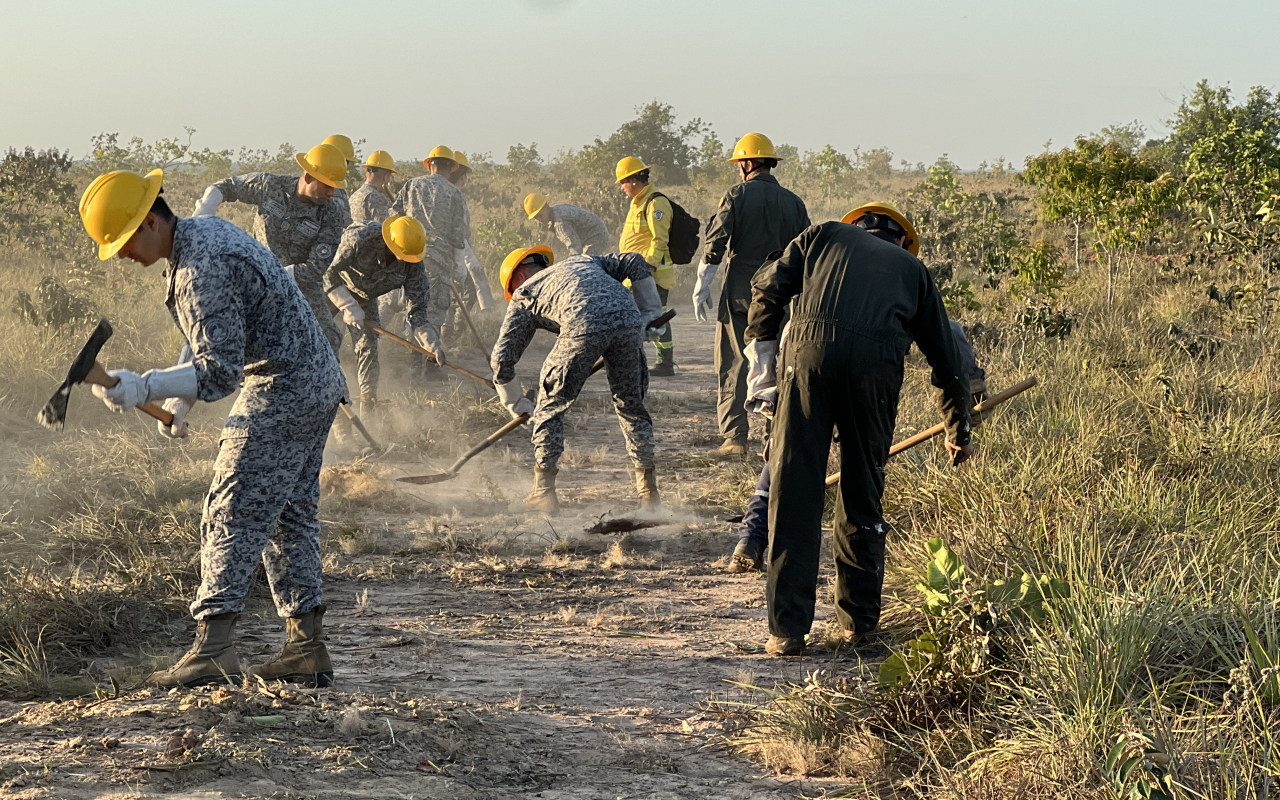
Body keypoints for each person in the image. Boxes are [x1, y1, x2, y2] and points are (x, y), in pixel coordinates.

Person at [79, 168, 345, 688]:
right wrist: (180, 403)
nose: (124, 257)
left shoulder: (199, 265)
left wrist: (146, 386)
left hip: (283, 388)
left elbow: (220, 371)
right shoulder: (202, 236)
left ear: (151, 222)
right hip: (317, 383)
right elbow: (213, 337)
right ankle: (306, 648)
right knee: (290, 514)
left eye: (124, 242)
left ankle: (214, 650)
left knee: (232, 508)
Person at [744, 202, 974, 657]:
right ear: (903, 240)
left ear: (857, 226)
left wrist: (764, 364)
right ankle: (858, 625)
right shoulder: (915, 270)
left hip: (807, 358)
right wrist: (957, 429)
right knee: (861, 491)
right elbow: (948, 363)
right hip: (875, 371)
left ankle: (786, 631)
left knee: (793, 489)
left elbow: (766, 287)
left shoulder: (821, 235)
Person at [726, 318, 987, 574]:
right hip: (860, 368)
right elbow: (945, 330)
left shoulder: (815, 276)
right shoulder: (897, 279)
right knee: (860, 466)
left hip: (804, 352)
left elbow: (770, 310)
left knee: (787, 451)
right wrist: (969, 397)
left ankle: (751, 539)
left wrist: (773, 397)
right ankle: (856, 563)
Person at [491, 246, 666, 514]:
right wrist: (651, 314)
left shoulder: (523, 295)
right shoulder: (583, 261)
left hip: (581, 321)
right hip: (629, 315)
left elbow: (501, 361)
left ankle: (543, 493)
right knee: (630, 405)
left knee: (550, 405)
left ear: (519, 277)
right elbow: (633, 260)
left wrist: (517, 404)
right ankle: (648, 494)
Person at [695, 133, 810, 458]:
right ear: (770, 162)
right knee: (779, 362)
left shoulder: (736, 195)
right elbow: (807, 252)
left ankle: (734, 438)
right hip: (783, 295)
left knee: (733, 360)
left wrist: (702, 283)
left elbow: (716, 244)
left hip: (742, 293)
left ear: (746, 163)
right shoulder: (794, 202)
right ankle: (776, 438)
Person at [192, 143, 351, 355]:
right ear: (309, 176)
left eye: (335, 187)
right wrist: (205, 210)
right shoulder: (271, 187)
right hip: (254, 274)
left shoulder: (331, 215)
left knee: (327, 337)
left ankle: (326, 385)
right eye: (327, 185)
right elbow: (227, 186)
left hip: (300, 284)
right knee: (227, 329)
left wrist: (276, 276)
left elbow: (314, 268)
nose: (332, 193)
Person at [325, 216, 444, 420]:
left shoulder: (413, 263)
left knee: (368, 346)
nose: (405, 260)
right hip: (332, 291)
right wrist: (346, 304)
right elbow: (326, 271)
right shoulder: (360, 238)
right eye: (402, 254)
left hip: (364, 297)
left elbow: (417, 310)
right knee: (324, 344)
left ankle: (367, 410)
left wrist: (429, 341)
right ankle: (334, 411)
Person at [390, 145, 468, 345]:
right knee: (433, 312)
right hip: (438, 262)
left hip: (409, 256)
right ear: (450, 169)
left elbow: (392, 217)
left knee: (413, 306)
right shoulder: (454, 193)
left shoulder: (411, 185)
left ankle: (413, 361)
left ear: (429, 166)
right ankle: (430, 363)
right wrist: (459, 266)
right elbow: (459, 235)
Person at [615, 157, 676, 377]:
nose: (622, 188)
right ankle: (647, 361)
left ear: (633, 180)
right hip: (637, 274)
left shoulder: (655, 203)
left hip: (652, 275)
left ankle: (665, 363)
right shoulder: (639, 202)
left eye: (623, 182)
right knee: (643, 317)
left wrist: (648, 268)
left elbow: (660, 240)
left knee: (657, 317)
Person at [447, 150, 494, 321]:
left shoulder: (448, 194)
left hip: (456, 250)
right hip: (457, 250)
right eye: (465, 174)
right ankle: (452, 331)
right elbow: (457, 231)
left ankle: (450, 329)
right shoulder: (453, 195)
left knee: (455, 293)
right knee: (466, 292)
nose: (466, 178)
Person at [524, 193, 612, 256]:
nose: (539, 220)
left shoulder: (559, 223)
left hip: (595, 237)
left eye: (540, 215)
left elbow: (576, 250)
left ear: (546, 207)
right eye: (536, 218)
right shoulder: (558, 209)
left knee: (586, 266)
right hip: (597, 232)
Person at [349, 150, 396, 224]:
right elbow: (385, 226)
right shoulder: (375, 196)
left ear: (367, 173)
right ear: (386, 177)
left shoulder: (354, 196)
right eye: (389, 176)